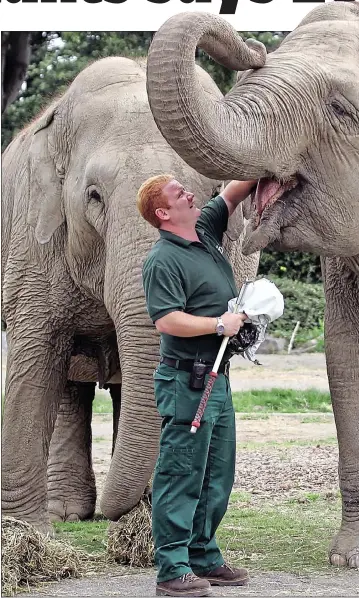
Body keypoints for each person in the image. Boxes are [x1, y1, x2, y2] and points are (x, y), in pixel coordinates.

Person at [137, 175, 258, 597]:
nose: (188, 192)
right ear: (163, 213)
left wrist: (262, 162)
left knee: (216, 472)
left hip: (217, 377)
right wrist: (217, 324)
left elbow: (230, 192)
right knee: (182, 470)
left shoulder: (203, 232)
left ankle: (204, 555)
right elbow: (166, 319)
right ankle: (172, 568)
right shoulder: (163, 259)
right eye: (177, 194)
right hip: (188, 380)